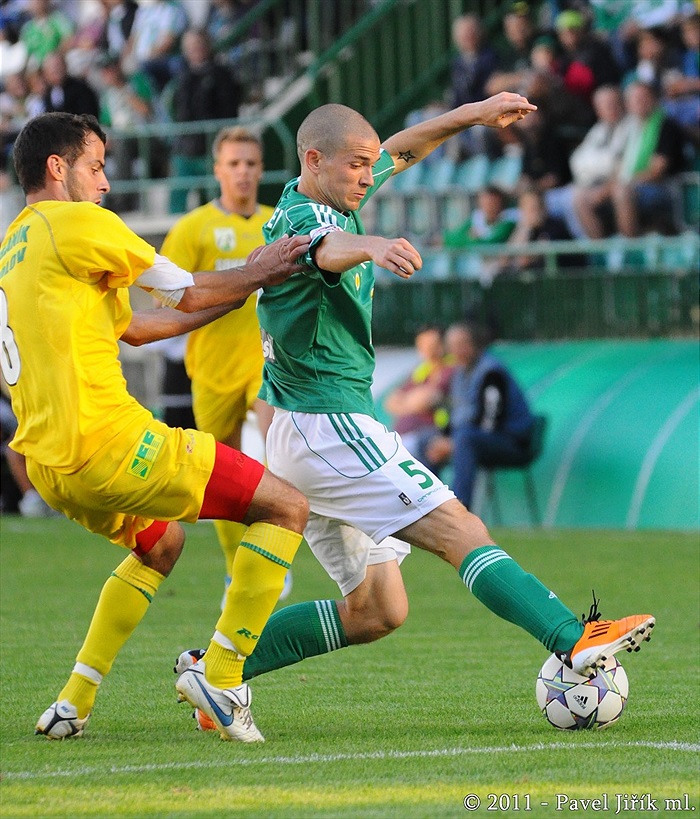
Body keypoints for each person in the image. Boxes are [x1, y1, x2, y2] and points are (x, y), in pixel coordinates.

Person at [174, 94, 656, 720]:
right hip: (330, 426)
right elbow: (324, 251)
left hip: (306, 433)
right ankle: (573, 637)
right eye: (357, 166)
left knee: (379, 610)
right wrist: (372, 244)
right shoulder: (303, 219)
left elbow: (402, 149)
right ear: (315, 161)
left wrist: (473, 113)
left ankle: (214, 669)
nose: (368, 176)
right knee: (461, 531)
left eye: (370, 165)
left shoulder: (328, 190)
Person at [2, 111, 311, 743]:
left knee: (162, 543)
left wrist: (245, 289)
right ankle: (221, 676)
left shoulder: (15, 244)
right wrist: (264, 269)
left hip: (50, 468)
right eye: (96, 166)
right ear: (58, 169)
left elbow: (138, 327)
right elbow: (184, 292)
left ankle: (73, 700)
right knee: (286, 507)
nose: (107, 183)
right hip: (110, 444)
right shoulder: (80, 223)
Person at [161, 125, 292, 606]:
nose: (243, 172)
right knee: (221, 479)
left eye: (251, 164)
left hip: (267, 362)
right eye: (234, 163)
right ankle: (238, 570)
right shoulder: (192, 228)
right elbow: (168, 291)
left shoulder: (276, 222)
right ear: (218, 170)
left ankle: (271, 557)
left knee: (281, 451)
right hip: (211, 370)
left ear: (261, 170)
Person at [423, 321, 536, 507]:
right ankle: (428, 508)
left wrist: (452, 443)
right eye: (452, 346)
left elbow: (490, 423)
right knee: (427, 441)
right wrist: (444, 438)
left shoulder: (492, 372)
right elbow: (457, 414)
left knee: (464, 440)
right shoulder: (459, 373)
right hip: (472, 437)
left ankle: (460, 508)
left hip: (509, 441)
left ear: (474, 344)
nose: (456, 350)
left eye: (462, 344)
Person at [167, 28, 241, 213]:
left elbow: (229, 109)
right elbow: (178, 109)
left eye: (198, 45)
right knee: (177, 196)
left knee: (217, 195)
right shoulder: (183, 77)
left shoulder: (222, 75)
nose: (195, 50)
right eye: (190, 47)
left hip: (213, 145)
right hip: (186, 146)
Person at [383, 324, 453, 462]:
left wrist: (406, 401)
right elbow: (390, 402)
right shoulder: (421, 369)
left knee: (391, 456)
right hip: (405, 435)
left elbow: (428, 399)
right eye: (422, 345)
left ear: (443, 344)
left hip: (432, 433)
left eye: (431, 344)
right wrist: (413, 402)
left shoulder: (451, 367)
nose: (427, 350)